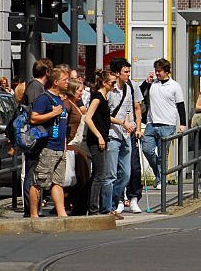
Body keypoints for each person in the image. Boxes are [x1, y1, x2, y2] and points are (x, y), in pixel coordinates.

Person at [28, 68, 69, 218]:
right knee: (39, 181)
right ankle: (33, 215)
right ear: (56, 82)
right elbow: (34, 118)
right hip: (48, 147)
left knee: (58, 182)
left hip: (59, 148)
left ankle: (61, 213)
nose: (68, 82)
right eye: (65, 80)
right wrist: (53, 113)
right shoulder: (44, 98)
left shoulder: (59, 99)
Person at [140, 58, 187, 190]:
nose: (157, 73)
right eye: (156, 71)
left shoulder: (174, 86)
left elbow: (180, 106)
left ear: (166, 71)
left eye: (159, 71)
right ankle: (159, 174)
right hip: (151, 123)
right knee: (147, 150)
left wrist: (182, 123)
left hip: (167, 124)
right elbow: (139, 94)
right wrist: (146, 83)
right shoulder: (152, 84)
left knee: (163, 154)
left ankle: (162, 179)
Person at [107, 59, 144, 214]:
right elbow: (104, 115)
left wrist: (132, 125)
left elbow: (131, 109)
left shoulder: (130, 88)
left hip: (125, 134)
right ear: (117, 73)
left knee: (129, 172)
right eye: (126, 72)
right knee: (112, 173)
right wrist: (123, 123)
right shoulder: (108, 89)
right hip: (112, 134)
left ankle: (125, 198)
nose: (129, 75)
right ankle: (114, 203)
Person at [85, 69, 120, 218]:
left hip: (103, 138)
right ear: (104, 83)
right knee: (100, 174)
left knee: (98, 174)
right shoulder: (98, 97)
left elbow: (105, 118)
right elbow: (88, 118)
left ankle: (94, 207)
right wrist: (99, 136)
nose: (114, 85)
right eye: (112, 83)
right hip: (97, 140)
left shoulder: (104, 97)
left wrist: (122, 122)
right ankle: (93, 209)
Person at [20, 59, 51, 217]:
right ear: (47, 72)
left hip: (38, 136)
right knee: (32, 174)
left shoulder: (37, 87)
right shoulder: (35, 87)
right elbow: (34, 115)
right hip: (34, 137)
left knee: (36, 173)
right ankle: (30, 210)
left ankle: (34, 208)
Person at [62, 79, 91, 216]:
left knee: (77, 177)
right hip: (70, 145)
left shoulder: (73, 103)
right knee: (75, 177)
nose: (82, 92)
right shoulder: (67, 104)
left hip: (76, 145)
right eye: (79, 90)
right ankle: (68, 205)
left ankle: (73, 204)